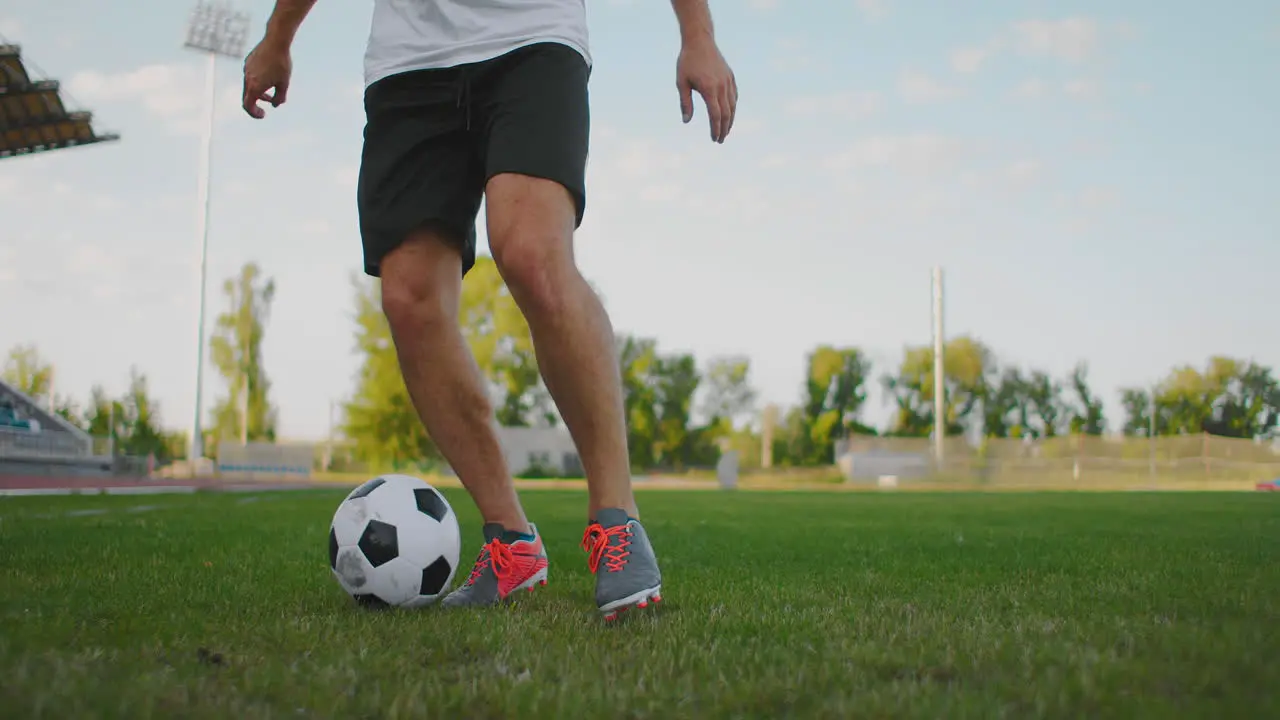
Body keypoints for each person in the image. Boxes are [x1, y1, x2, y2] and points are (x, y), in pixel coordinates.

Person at [241, 0, 737, 620]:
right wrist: (278, 35)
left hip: (531, 37)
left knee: (530, 253)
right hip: (409, 63)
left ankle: (617, 519)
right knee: (408, 298)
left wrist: (697, 34)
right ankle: (511, 542)